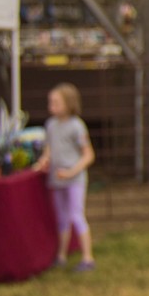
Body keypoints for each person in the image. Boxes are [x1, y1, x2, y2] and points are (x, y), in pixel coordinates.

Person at [34, 82, 96, 272]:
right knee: (62, 218)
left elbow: (88, 155)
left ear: (68, 104)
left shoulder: (77, 126)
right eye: (50, 102)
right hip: (57, 179)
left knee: (76, 215)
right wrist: (43, 162)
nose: (51, 106)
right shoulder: (51, 125)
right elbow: (49, 150)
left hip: (74, 180)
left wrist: (71, 172)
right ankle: (61, 255)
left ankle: (88, 258)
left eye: (56, 102)